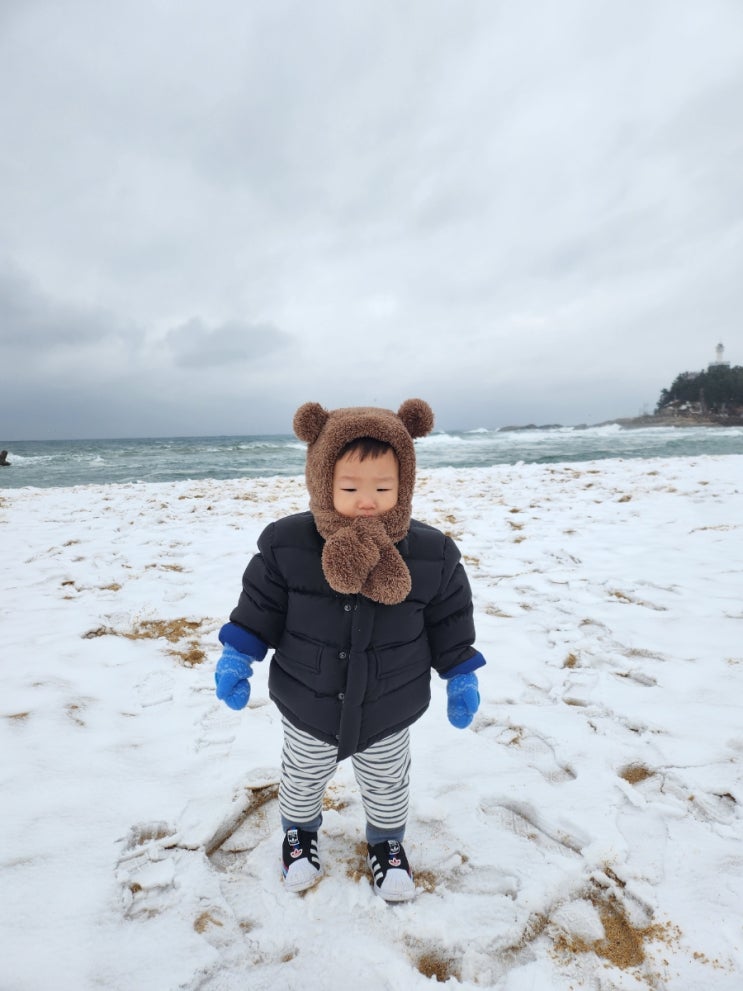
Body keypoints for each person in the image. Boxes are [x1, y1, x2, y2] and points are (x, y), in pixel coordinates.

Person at [214, 400, 486, 901]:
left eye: (383, 489)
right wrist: (238, 655)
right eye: (349, 489)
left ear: (404, 485)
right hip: (308, 699)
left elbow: (450, 622)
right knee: (302, 775)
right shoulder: (287, 545)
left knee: (388, 782)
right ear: (321, 482)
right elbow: (259, 608)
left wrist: (461, 674)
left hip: (390, 702)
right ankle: (300, 835)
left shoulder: (433, 554)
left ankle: (386, 843)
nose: (367, 502)